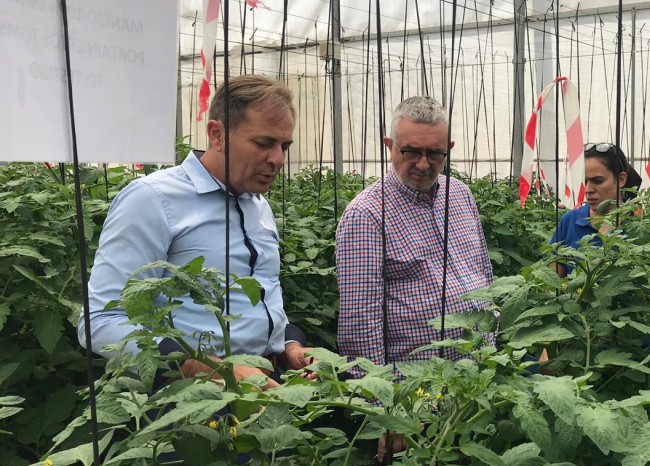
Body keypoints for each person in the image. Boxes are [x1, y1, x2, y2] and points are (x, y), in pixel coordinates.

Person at [80, 74, 314, 389]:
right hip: (194, 399)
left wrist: (290, 346)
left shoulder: (258, 204)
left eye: (284, 146)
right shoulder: (153, 199)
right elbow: (99, 322)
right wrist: (210, 369)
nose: (277, 159)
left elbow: (259, 302)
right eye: (263, 143)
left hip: (268, 385)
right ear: (217, 134)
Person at [335, 96, 494, 375]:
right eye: (411, 152)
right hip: (416, 387)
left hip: (478, 372)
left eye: (435, 154)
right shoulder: (367, 214)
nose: (423, 164)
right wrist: (378, 394)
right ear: (389, 146)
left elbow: (483, 272)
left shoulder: (459, 194)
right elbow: (361, 324)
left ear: (448, 149)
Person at [550, 142, 644, 277]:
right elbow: (553, 281)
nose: (588, 190)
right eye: (585, 181)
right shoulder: (569, 221)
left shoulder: (642, 226)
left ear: (621, 180)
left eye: (598, 181)